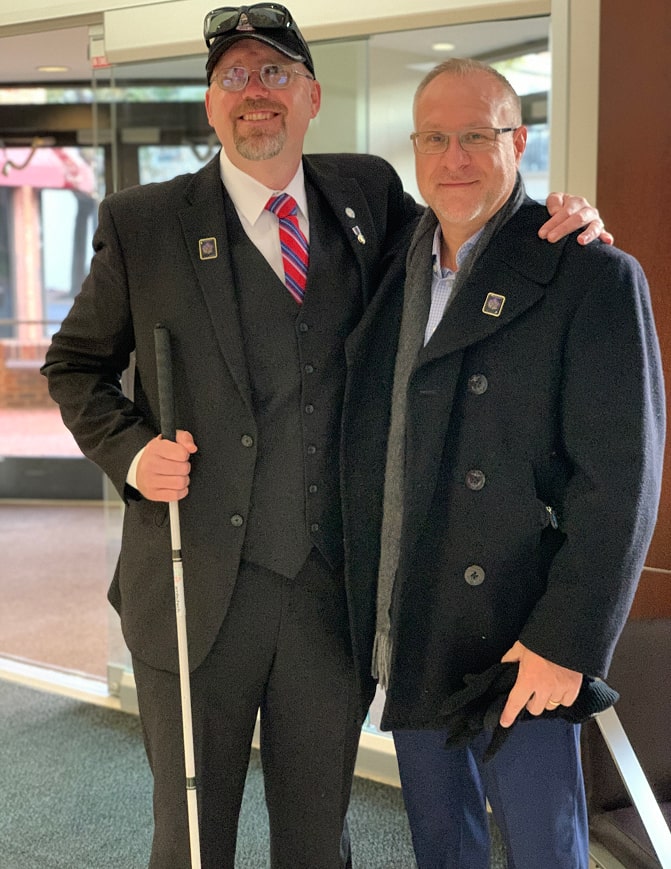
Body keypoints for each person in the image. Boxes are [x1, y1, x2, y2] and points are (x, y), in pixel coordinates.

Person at [41, 5, 610, 866]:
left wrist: (556, 221)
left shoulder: (367, 196)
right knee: (190, 838)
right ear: (209, 103)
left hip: (331, 601)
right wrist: (130, 451)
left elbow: (464, 227)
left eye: (275, 73)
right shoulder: (143, 222)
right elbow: (74, 365)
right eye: (233, 76)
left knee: (316, 837)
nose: (255, 93)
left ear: (311, 97)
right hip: (194, 592)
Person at [341, 57, 666, 869]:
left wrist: (569, 640)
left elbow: (621, 481)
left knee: (542, 848)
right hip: (413, 616)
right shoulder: (390, 271)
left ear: (517, 142)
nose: (453, 158)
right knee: (440, 842)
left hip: (525, 634)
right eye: (434, 138)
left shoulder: (589, 272)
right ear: (414, 149)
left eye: (476, 137)